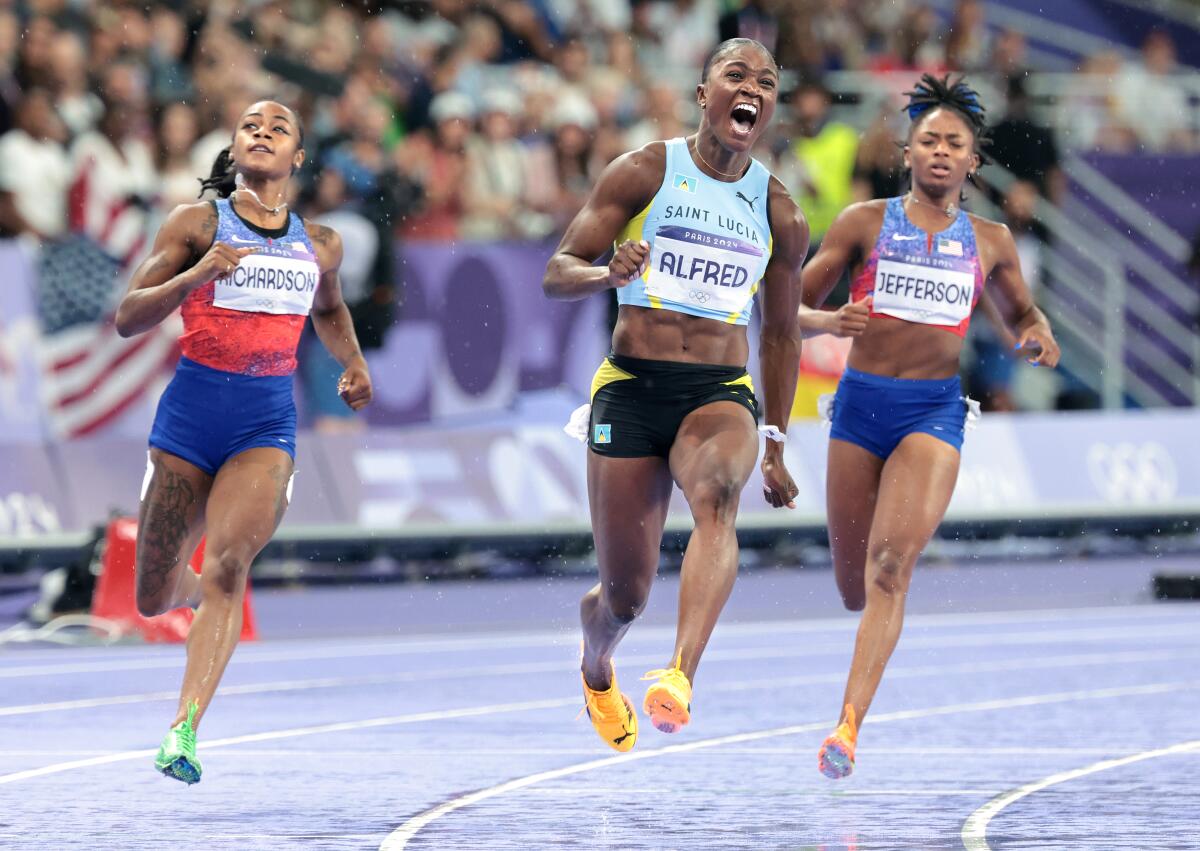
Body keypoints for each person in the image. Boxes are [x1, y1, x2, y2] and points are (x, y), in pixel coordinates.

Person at [543, 38, 807, 752]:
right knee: (623, 595)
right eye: (735, 75)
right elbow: (557, 269)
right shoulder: (646, 171)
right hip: (631, 388)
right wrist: (606, 274)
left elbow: (782, 335)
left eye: (767, 81)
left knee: (719, 496)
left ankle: (679, 676)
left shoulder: (780, 212)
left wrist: (777, 439)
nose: (751, 87)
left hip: (718, 390)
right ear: (703, 93)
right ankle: (598, 667)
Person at [798, 74, 1059, 779]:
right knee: (853, 584)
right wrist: (828, 320)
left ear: (974, 162)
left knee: (889, 570)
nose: (941, 152)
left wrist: (1037, 333)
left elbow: (1022, 315)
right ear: (906, 151)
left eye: (956, 144)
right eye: (929, 140)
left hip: (932, 413)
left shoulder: (992, 239)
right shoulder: (861, 222)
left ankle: (847, 726)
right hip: (858, 409)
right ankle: (853, 683)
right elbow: (788, 307)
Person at [114, 100, 373, 784]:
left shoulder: (320, 244)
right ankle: (196, 594)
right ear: (233, 150)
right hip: (188, 423)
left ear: (298, 158)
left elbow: (331, 307)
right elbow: (127, 318)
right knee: (151, 595)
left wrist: (353, 362)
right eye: (250, 126)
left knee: (231, 564)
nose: (261, 133)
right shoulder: (197, 224)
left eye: (278, 128)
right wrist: (196, 274)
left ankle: (183, 729)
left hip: (264, 426)